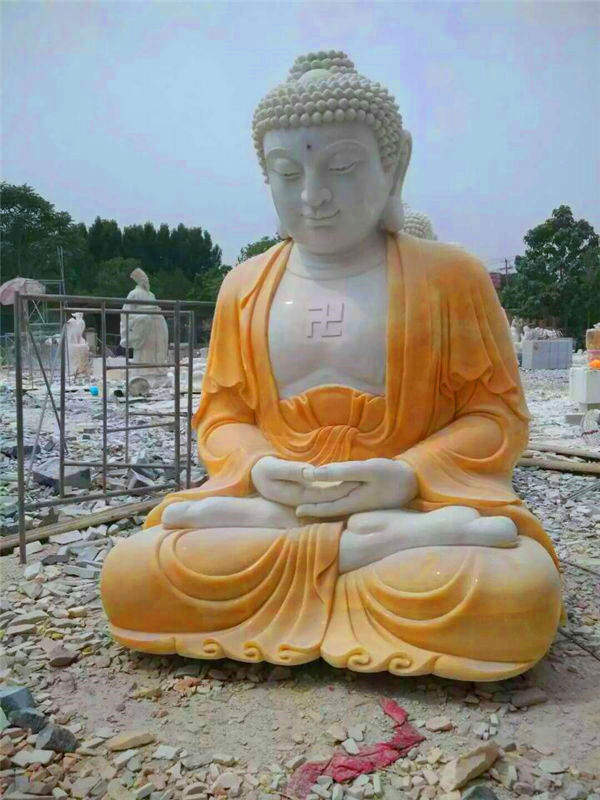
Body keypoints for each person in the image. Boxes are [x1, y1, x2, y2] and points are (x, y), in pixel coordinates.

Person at [101, 51, 561, 681]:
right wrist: (258, 469)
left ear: (395, 164)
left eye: (341, 168)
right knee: (132, 573)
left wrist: (407, 475)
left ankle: (355, 540)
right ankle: (352, 546)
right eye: (287, 173)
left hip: (411, 507)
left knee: (517, 591)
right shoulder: (244, 286)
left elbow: (496, 417)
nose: (313, 196)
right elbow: (222, 417)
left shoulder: (451, 277)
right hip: (285, 507)